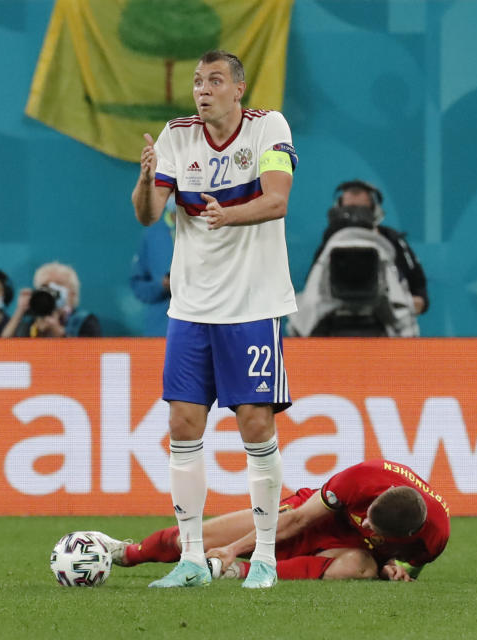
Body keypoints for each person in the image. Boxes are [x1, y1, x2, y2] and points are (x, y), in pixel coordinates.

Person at [130, 49, 299, 589]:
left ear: (238, 89)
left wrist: (229, 214)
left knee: (255, 424)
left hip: (253, 306)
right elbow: (150, 214)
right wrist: (146, 180)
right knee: (183, 425)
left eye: (214, 80)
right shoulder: (178, 135)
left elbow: (277, 201)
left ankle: (267, 557)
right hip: (192, 309)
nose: (202, 89)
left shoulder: (268, 127)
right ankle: (191, 561)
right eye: (198, 81)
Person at [94, 459, 450, 582]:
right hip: (309, 519)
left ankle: (241, 573)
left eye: (374, 530)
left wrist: (394, 569)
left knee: (360, 567)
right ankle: (127, 553)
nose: (367, 526)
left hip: (345, 551)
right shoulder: (362, 478)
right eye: (367, 518)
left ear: (405, 534)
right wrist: (233, 548)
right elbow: (296, 520)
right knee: (189, 540)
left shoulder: (434, 538)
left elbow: (407, 568)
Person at [290, 180, 428, 337]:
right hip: (333, 327)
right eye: (349, 209)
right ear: (338, 208)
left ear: (375, 210)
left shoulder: (392, 241)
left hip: (384, 326)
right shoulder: (329, 246)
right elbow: (313, 294)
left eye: (362, 210)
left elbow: (420, 292)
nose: (355, 215)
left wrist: (405, 305)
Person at [1, 261, 102, 337]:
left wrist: (59, 334)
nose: (51, 289)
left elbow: (91, 355)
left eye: (58, 284)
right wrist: (20, 311)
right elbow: (4, 348)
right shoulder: (32, 321)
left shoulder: (84, 321)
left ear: (72, 293)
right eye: (45, 285)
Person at [129, 197, 176, 337]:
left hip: (198, 327)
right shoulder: (153, 234)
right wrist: (161, 286)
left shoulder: (206, 230)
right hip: (159, 332)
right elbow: (137, 285)